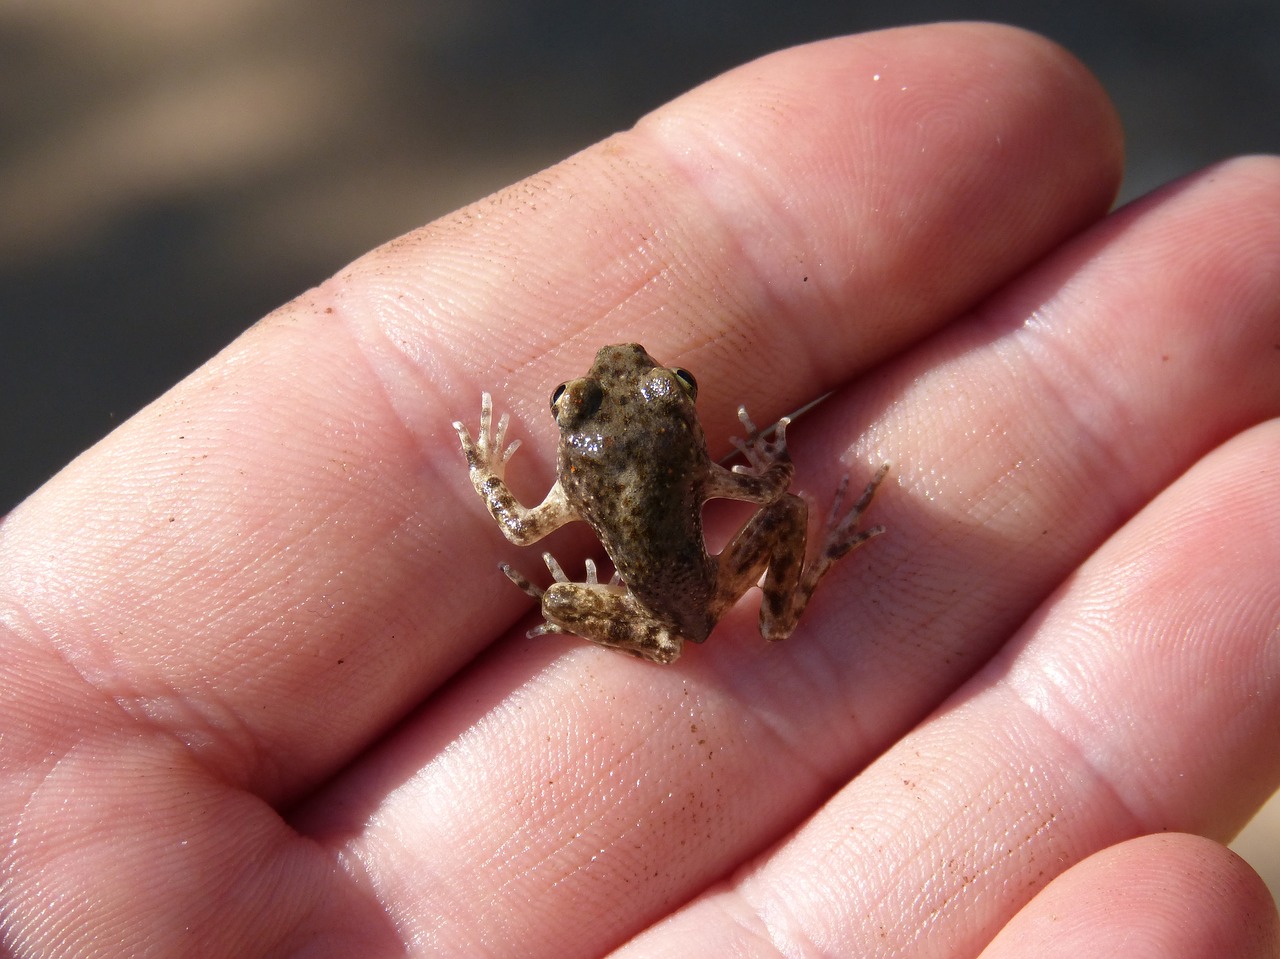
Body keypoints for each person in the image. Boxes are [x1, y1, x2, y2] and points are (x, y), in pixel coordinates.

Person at [2, 21, 1277, 958]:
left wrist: (523, 508)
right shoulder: (687, 465)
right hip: (681, 588)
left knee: (694, 553)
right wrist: (746, 491)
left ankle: (773, 586)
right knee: (752, 531)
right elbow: (729, 480)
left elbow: (517, 518)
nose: (636, 380)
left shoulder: (588, 486)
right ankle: (796, 582)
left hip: (664, 581)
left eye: (642, 390)